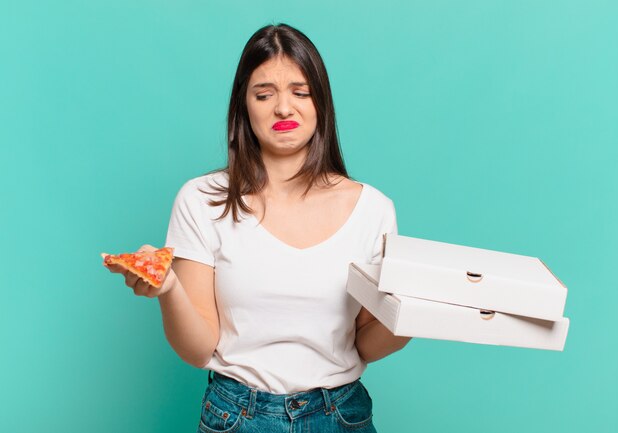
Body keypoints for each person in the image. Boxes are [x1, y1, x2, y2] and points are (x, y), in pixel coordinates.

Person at [104, 23, 411, 433]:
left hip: (341, 415)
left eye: (300, 92)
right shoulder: (202, 200)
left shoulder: (373, 209)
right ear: (244, 107)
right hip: (238, 416)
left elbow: (364, 344)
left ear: (322, 102)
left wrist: (415, 316)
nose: (283, 108)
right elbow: (199, 349)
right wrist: (169, 289)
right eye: (264, 94)